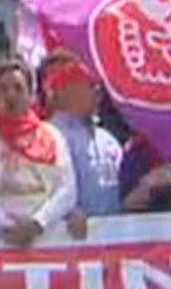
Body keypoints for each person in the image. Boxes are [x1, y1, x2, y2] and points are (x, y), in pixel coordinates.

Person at [0, 60, 76, 247]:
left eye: (18, 88)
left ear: (31, 95)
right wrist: (2, 223)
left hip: (46, 240)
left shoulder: (52, 136)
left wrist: (38, 223)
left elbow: (67, 189)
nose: (10, 95)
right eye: (2, 89)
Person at [43, 53, 122, 229]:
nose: (98, 92)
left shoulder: (109, 141)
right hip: (66, 243)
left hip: (113, 241)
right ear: (66, 91)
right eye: (90, 85)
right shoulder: (46, 137)